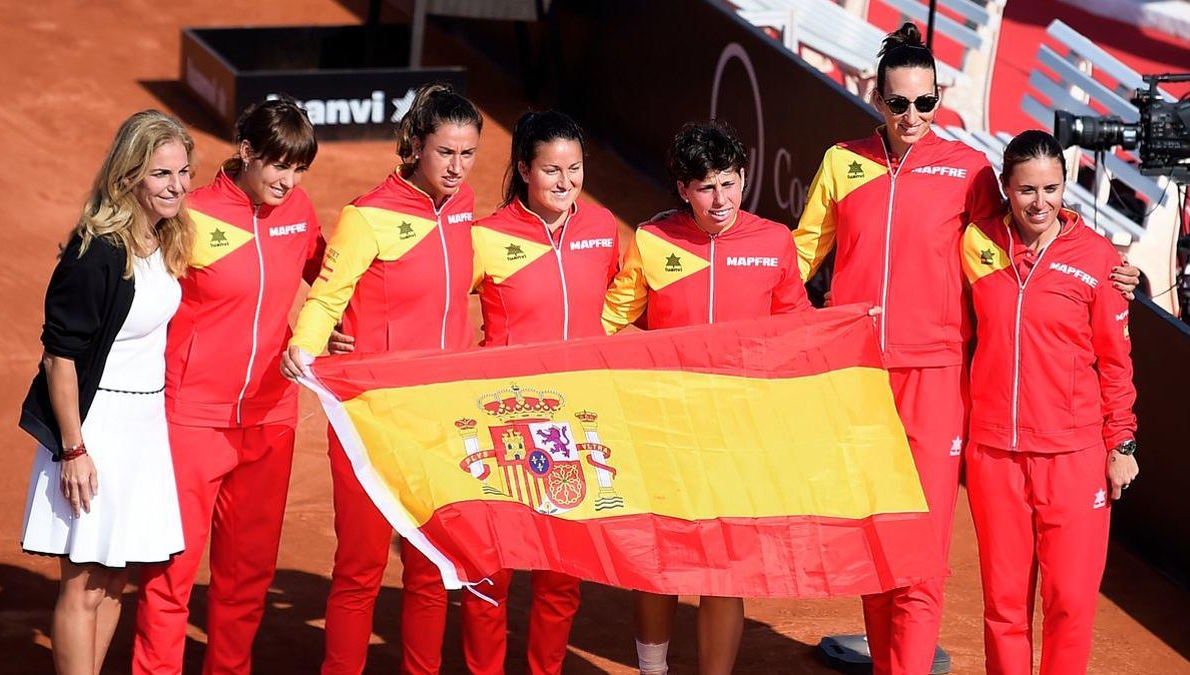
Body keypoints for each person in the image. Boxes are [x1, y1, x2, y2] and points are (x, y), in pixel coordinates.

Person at [793, 22, 1139, 675]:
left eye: (926, 102)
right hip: (860, 379)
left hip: (936, 382)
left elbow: (1031, 227)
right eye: (899, 103)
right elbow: (801, 254)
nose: (913, 116)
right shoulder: (843, 161)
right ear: (877, 97)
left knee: (920, 554)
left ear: (939, 95)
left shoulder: (970, 171)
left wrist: (1111, 269)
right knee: (876, 541)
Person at [280, 82, 482, 675]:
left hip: (439, 422)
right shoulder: (368, 217)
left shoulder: (466, 206)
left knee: (429, 567)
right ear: (415, 145)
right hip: (369, 421)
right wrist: (304, 346)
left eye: (467, 154)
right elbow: (326, 295)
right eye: (445, 152)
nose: (456, 167)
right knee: (361, 570)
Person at [601, 120, 812, 675]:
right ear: (683, 191)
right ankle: (653, 671)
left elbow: (798, 334)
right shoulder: (652, 240)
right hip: (666, 429)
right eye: (706, 187)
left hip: (741, 438)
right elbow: (606, 323)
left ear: (743, 179)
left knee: (726, 567)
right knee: (660, 560)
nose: (720, 199)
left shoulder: (774, 242)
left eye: (729, 183)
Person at [133, 96, 326, 675]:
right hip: (192, 419)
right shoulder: (189, 215)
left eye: (298, 168)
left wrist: (335, 329)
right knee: (171, 575)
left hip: (270, 420)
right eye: (277, 165)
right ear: (246, 152)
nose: (288, 181)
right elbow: (139, 302)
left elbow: (330, 281)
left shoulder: (300, 209)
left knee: (247, 578)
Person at [19, 110, 195, 675]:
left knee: (116, 579)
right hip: (96, 428)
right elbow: (59, 356)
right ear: (129, 176)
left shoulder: (163, 238)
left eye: (184, 172)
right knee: (84, 584)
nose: (177, 186)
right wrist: (73, 449)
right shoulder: (96, 252)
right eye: (161, 174)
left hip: (144, 429)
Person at [961, 130, 1138, 675]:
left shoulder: (1099, 259)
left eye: (1053, 189)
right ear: (1006, 190)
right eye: (1027, 190)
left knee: (1069, 605)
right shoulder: (975, 244)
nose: (1041, 203)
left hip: (1073, 457)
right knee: (1004, 607)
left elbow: (1115, 363)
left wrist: (1121, 443)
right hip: (994, 453)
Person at [462, 110, 620, 673]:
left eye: (575, 168)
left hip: (573, 427)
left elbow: (625, 305)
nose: (564, 181)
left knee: (560, 576)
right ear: (524, 169)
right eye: (551, 169)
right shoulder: (485, 237)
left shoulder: (602, 229)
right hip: (501, 422)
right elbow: (433, 300)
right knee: (491, 573)